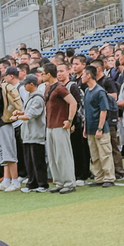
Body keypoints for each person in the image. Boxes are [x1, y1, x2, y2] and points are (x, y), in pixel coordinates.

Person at [42, 63, 78, 194]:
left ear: (48, 74)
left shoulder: (60, 88)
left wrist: (69, 120)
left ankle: (69, 183)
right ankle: (59, 182)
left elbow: (73, 102)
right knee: (53, 157)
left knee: (63, 156)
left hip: (59, 125)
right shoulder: (48, 88)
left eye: (43, 73)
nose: (41, 75)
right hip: (50, 125)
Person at [81, 66, 116, 188]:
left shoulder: (99, 91)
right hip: (90, 128)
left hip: (100, 128)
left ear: (89, 75)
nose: (81, 77)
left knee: (104, 153)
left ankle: (109, 177)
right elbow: (87, 111)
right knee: (94, 155)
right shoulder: (87, 91)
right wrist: (85, 127)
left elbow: (103, 110)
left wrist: (100, 128)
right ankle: (99, 177)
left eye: (83, 74)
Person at [14, 74, 49, 192]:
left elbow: (31, 115)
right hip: (28, 134)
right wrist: (20, 113)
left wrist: (18, 118)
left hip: (36, 134)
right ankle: (32, 183)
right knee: (29, 161)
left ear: (32, 84)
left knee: (38, 161)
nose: (24, 86)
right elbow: (28, 111)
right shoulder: (30, 96)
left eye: (26, 84)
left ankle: (42, 184)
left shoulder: (38, 98)